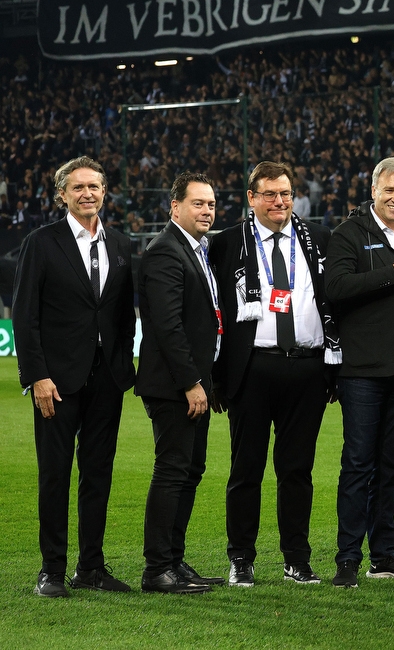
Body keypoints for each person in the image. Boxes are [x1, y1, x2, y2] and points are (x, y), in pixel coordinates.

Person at [209, 161, 341, 587]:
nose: (280, 201)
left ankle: (296, 560)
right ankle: (241, 558)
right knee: (245, 470)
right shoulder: (227, 244)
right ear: (252, 198)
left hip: (307, 367)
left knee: (297, 471)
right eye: (270, 194)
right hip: (252, 368)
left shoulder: (319, 239)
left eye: (285, 193)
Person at [12, 156, 136, 597]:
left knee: (98, 473)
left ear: (105, 192)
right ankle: (51, 570)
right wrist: (37, 376)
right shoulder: (41, 243)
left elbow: (122, 316)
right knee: (55, 474)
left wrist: (123, 365)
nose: (88, 193)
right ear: (62, 194)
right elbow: (24, 317)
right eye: (78, 187)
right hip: (57, 382)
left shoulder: (120, 245)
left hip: (107, 380)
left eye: (95, 187)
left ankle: (91, 568)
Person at [325, 157, 394, 588]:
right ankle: (348, 557)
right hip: (361, 372)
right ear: (373, 190)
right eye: (389, 190)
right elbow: (335, 289)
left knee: (390, 467)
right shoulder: (348, 234)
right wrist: (393, 271)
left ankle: (384, 554)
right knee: (357, 465)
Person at [135, 172, 224, 595]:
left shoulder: (197, 249)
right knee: (172, 471)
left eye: (210, 204)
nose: (206, 211)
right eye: (198, 204)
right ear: (175, 207)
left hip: (193, 382)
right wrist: (191, 381)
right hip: (174, 386)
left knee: (189, 470)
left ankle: (173, 560)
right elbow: (168, 327)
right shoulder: (164, 252)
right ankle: (157, 570)